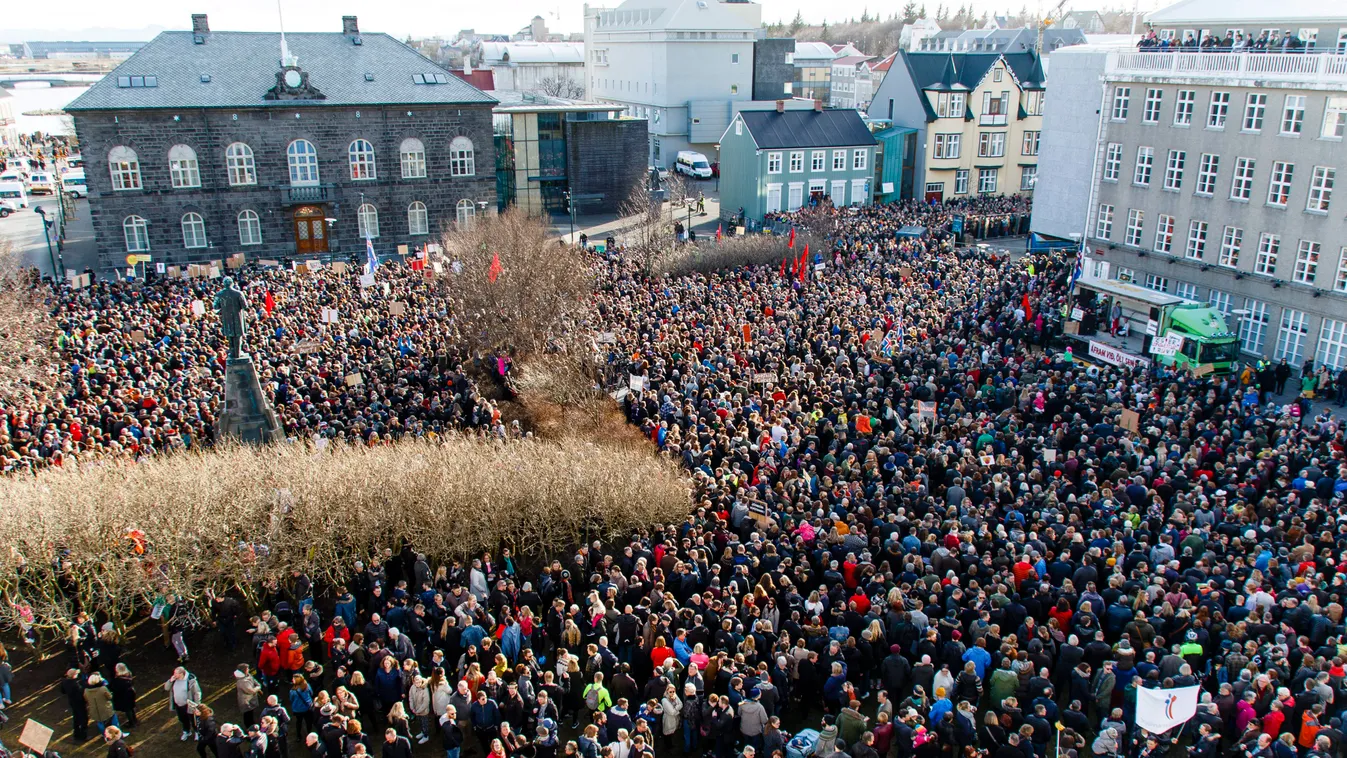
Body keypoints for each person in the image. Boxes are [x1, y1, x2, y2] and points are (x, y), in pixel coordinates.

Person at [166, 666, 203, 742]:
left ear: (181, 674)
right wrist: (170, 680)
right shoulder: (173, 680)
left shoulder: (191, 681)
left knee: (193, 720)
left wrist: (197, 704)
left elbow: (197, 692)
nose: (174, 675)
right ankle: (187, 731)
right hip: (178, 705)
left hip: (189, 705)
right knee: (182, 719)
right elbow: (166, 688)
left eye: (176, 673)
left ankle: (197, 732)